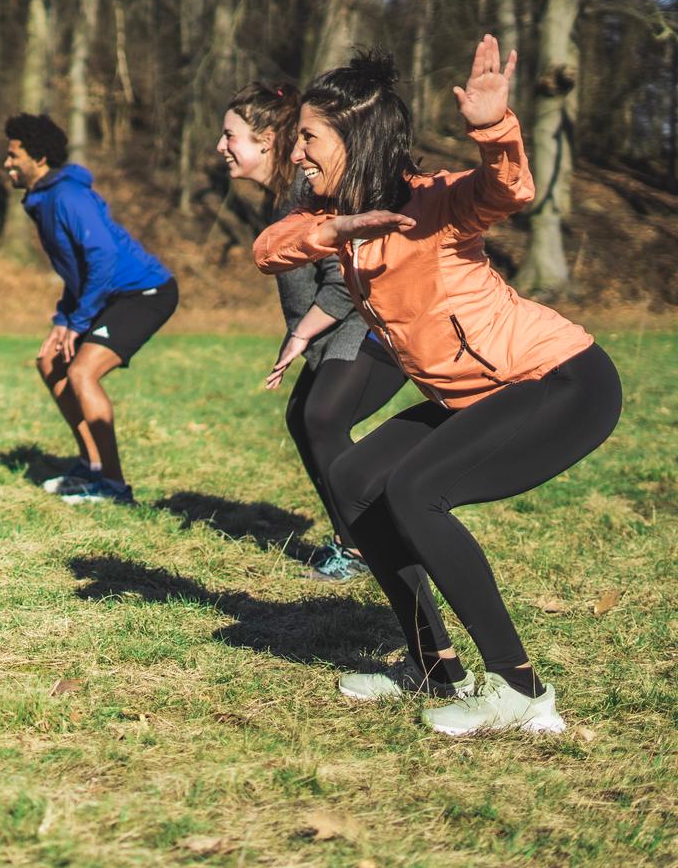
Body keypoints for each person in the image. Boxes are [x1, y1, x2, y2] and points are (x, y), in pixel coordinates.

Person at [254, 37, 619, 736]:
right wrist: (341, 228)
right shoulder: (341, 226)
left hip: (561, 379)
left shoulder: (437, 203)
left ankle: (521, 692)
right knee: (356, 477)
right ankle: (433, 668)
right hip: (482, 397)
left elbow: (509, 189)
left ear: (356, 141)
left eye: (308, 137)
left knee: (416, 490)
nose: (296, 152)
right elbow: (269, 250)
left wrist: (494, 128)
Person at [219, 83, 405, 580]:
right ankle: (354, 539)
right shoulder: (286, 198)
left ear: (266, 140)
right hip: (332, 334)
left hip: (364, 328)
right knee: (304, 418)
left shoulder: (309, 190)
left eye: (229, 135)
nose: (221, 147)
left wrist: (301, 333)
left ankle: (370, 543)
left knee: (321, 418)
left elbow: (349, 277)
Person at [3, 113, 178, 505]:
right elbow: (77, 270)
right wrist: (63, 320)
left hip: (145, 292)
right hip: (106, 294)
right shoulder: (43, 199)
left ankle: (114, 486)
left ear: (39, 157)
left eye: (14, 155)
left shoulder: (68, 196)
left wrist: (78, 320)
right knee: (50, 360)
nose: (7, 163)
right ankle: (92, 466)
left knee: (83, 372)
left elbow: (103, 258)